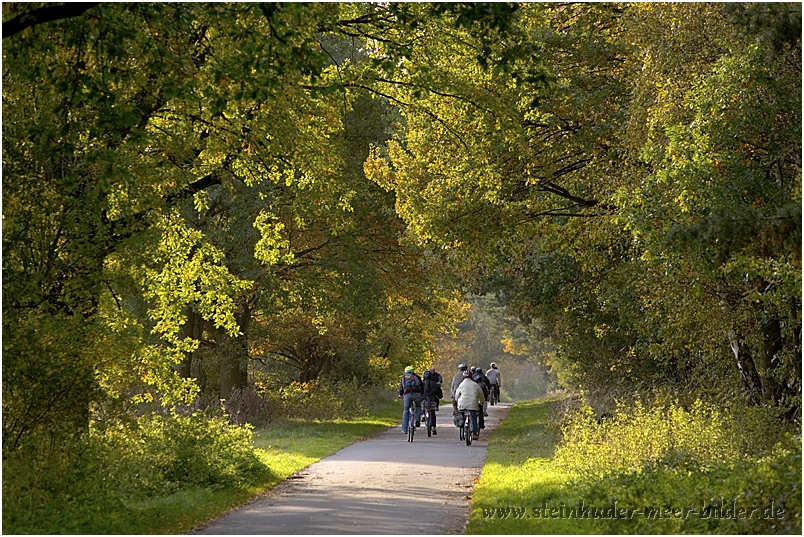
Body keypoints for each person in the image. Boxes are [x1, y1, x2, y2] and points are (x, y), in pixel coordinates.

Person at [455, 369, 485, 440]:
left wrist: (457, 401)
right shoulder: (475, 385)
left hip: (462, 404)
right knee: (473, 417)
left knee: (462, 415)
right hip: (473, 404)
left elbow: (457, 395)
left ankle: (462, 427)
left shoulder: (461, 384)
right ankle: (474, 433)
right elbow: (481, 395)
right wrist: (481, 401)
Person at [398, 366, 423, 434]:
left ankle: (404, 429)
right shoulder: (417, 377)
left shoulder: (404, 378)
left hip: (407, 395)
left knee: (406, 410)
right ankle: (417, 419)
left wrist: (400, 395)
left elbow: (401, 388)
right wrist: (422, 395)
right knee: (418, 406)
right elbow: (422, 386)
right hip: (417, 394)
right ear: (413, 371)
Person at [422, 370, 443, 435]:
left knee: (422, 406)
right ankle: (433, 426)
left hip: (425, 399)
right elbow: (439, 393)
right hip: (432, 400)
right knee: (432, 412)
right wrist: (439, 397)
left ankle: (423, 415)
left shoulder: (422, 383)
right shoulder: (434, 383)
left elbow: (420, 392)